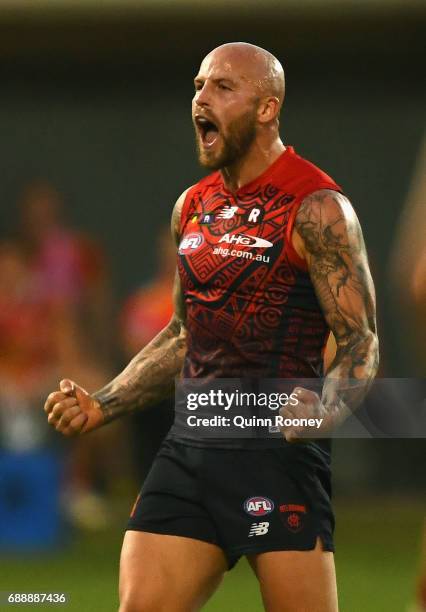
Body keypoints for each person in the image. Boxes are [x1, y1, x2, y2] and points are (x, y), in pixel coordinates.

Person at [44, 42, 379, 611]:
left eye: (223, 87)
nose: (202, 98)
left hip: (278, 456)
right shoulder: (192, 207)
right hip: (191, 449)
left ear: (267, 108)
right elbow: (181, 334)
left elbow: (360, 343)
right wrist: (104, 403)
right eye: (199, 86)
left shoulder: (316, 207)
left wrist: (326, 406)